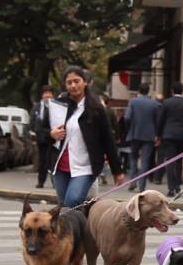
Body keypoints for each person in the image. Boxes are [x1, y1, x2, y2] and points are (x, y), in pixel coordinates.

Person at [48, 66, 125, 207]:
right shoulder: (60, 105)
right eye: (69, 82)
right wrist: (51, 134)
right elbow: (42, 129)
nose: (73, 85)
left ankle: (76, 227)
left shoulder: (96, 108)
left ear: (85, 82)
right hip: (60, 166)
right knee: (65, 205)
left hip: (86, 166)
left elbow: (107, 140)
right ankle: (79, 227)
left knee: (72, 201)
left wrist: (117, 171)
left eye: (76, 81)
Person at [157, 81, 183, 197]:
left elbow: (161, 119)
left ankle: (171, 188)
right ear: (182, 91)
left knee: (170, 161)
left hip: (168, 135)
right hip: (182, 136)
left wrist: (158, 134)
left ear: (172, 91)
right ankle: (178, 185)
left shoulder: (167, 103)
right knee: (179, 160)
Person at [123, 83, 161, 192]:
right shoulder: (155, 104)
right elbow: (157, 122)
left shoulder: (133, 102)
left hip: (135, 134)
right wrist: (157, 135)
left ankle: (133, 181)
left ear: (139, 90)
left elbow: (127, 118)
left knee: (133, 158)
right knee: (145, 161)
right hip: (149, 136)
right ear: (148, 91)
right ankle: (142, 186)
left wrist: (130, 128)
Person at [30, 85, 54, 189]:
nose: (47, 95)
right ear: (42, 95)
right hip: (41, 139)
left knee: (53, 160)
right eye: (45, 93)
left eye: (49, 93)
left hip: (53, 138)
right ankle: (41, 181)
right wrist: (37, 132)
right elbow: (32, 122)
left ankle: (55, 182)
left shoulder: (56, 107)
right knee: (42, 161)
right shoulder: (36, 107)